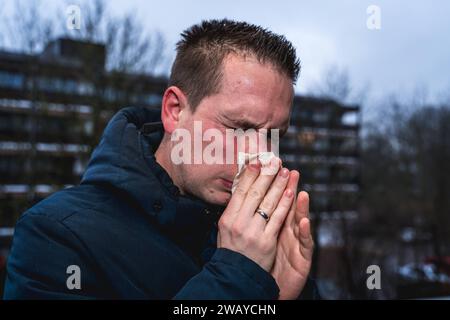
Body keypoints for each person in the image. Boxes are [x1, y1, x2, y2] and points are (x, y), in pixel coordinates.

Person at [3, 19, 319, 299]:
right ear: (174, 111)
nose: (261, 159)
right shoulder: (55, 236)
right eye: (239, 128)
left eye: (274, 135)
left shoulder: (267, 237)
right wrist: (237, 273)